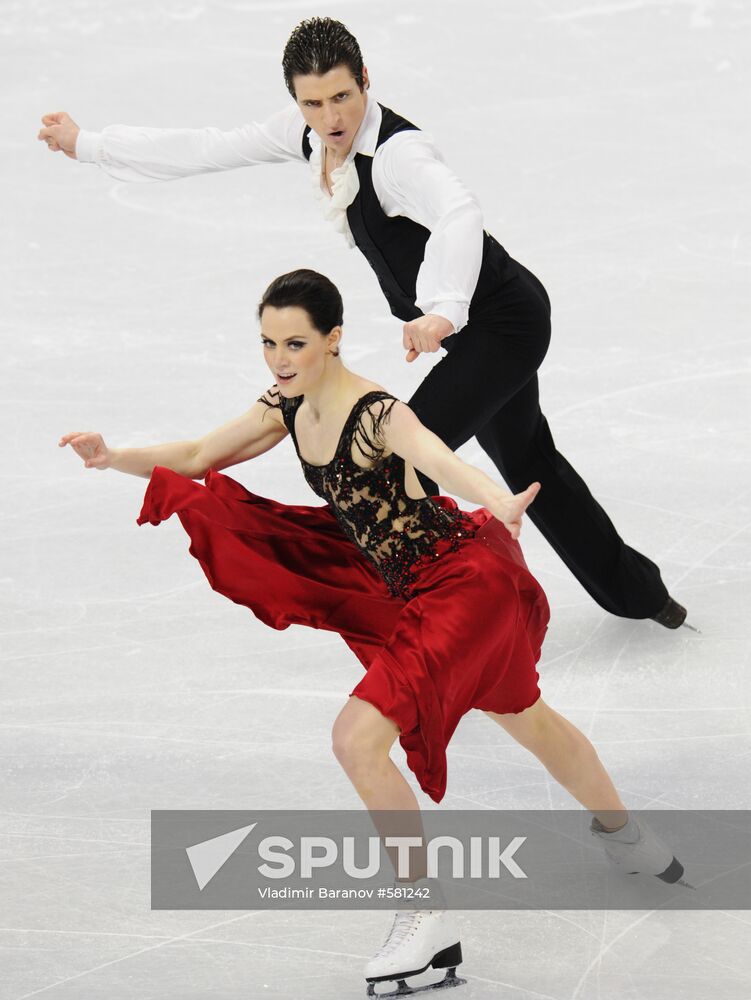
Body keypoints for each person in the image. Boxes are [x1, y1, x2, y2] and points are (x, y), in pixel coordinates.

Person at [60, 269, 688, 996]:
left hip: (462, 586)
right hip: (403, 591)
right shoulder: (285, 404)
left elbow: (440, 458)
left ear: (333, 339)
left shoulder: (376, 413)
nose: (280, 358)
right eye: (268, 343)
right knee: (526, 717)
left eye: (295, 342)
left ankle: (421, 914)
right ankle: (628, 838)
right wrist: (114, 459)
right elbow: (200, 456)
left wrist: (496, 498)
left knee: (357, 739)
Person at [38, 17, 688, 632]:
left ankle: (445, 625)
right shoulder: (307, 134)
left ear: (365, 80)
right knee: (526, 457)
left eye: (342, 98)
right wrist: (88, 143)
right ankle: (642, 596)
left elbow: (459, 213)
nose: (331, 118)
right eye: (313, 104)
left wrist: (440, 309)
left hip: (501, 322)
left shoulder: (401, 155)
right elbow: (207, 148)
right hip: (470, 328)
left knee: (401, 465)